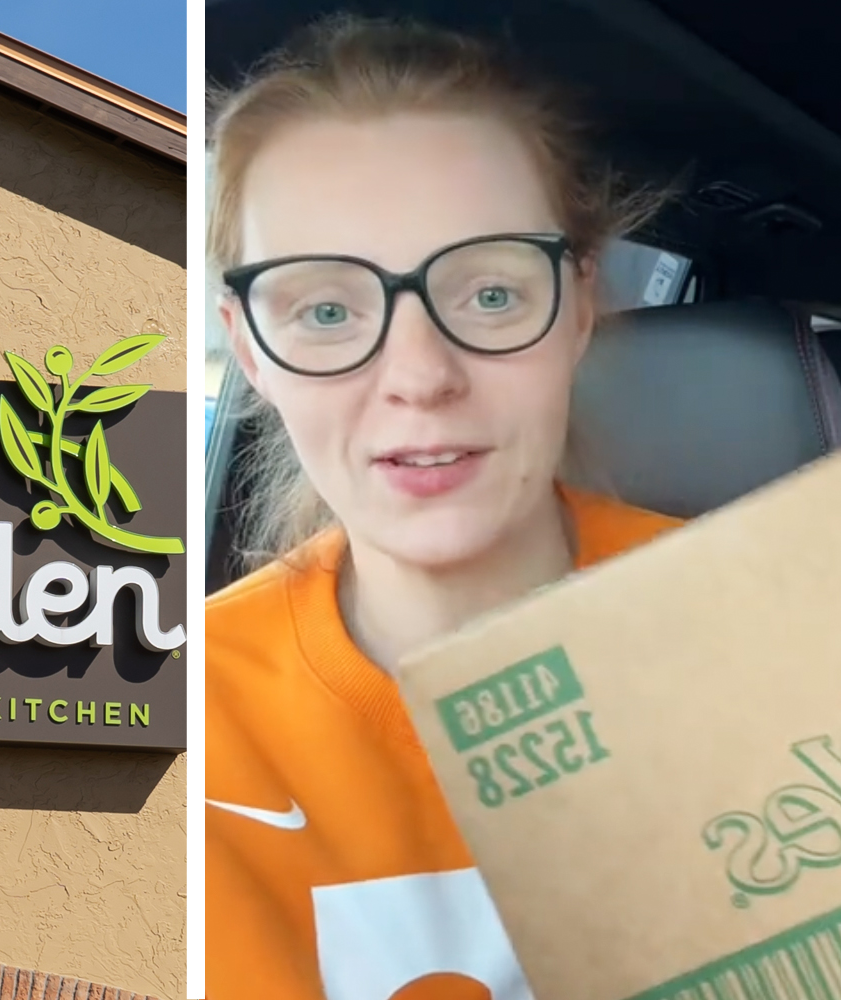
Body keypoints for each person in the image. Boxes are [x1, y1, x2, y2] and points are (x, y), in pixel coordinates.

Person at [204, 14, 680, 997]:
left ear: (579, 305)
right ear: (249, 349)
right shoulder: (163, 726)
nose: (419, 376)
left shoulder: (763, 628)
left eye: (490, 295)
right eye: (326, 310)